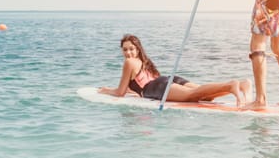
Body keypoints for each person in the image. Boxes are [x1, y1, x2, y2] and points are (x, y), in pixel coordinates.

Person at [98, 34, 252, 106]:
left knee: (193, 95)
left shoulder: (129, 63)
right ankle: (242, 85)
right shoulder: (145, 62)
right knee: (205, 95)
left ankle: (231, 86)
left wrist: (105, 91)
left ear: (137, 49)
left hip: (158, 87)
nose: (128, 53)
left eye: (131, 49)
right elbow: (138, 87)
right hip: (168, 81)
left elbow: (120, 92)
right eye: (125, 50)